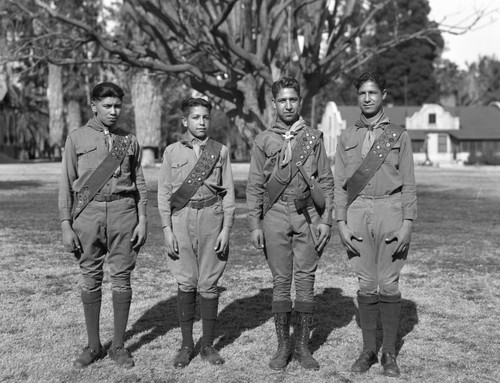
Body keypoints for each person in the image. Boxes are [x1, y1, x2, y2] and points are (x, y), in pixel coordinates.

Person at [246, 77, 334, 371]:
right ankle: (283, 346)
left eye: (293, 100)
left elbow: (326, 181)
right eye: (282, 100)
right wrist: (255, 224)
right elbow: (255, 185)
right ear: (274, 104)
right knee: (281, 282)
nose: (288, 105)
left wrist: (327, 220)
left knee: (306, 281)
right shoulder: (263, 140)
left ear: (300, 102)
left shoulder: (313, 138)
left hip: (308, 213)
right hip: (274, 215)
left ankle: (302, 347)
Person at [59, 82, 148, 369]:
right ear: (93, 105)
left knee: (122, 277)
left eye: (118, 106)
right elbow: (66, 184)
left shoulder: (129, 140)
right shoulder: (76, 138)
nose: (113, 111)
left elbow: (140, 183)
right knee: (90, 277)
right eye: (107, 106)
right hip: (88, 214)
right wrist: (65, 223)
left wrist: (143, 218)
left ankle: (119, 346)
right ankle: (94, 345)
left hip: (124, 212)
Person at [333, 72, 417, 377]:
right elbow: (340, 186)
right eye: (362, 94)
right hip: (357, 212)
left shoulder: (399, 136)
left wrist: (408, 222)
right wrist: (340, 222)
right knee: (366, 284)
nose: (367, 98)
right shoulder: (346, 137)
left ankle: (389, 352)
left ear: (384, 94)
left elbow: (408, 183)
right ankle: (368, 350)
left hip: (390, 209)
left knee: (390, 283)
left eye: (373, 93)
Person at [158, 97, 235, 368]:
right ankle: (186, 344)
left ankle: (208, 345)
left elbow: (228, 195)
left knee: (209, 281)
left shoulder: (220, 151)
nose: (201, 122)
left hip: (212, 217)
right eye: (195, 118)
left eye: (205, 117)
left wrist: (227, 229)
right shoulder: (171, 152)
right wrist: (167, 229)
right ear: (185, 121)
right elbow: (164, 194)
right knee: (186, 281)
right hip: (181, 218)